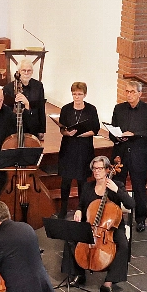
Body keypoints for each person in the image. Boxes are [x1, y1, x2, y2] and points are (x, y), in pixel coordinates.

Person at [67, 156, 132, 292]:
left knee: (123, 245)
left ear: (108, 170)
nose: (96, 171)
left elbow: (131, 204)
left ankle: (108, 284)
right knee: (71, 237)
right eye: (94, 168)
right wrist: (78, 210)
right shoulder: (88, 186)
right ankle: (79, 274)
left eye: (100, 168)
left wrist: (117, 190)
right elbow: (82, 205)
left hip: (111, 227)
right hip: (91, 224)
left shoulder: (117, 185)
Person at [111, 80, 147, 232]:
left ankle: (140, 219)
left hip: (139, 154)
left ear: (140, 94)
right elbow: (113, 131)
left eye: (132, 92)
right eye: (127, 92)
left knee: (139, 188)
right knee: (117, 186)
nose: (129, 95)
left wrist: (135, 134)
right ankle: (116, 217)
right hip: (121, 154)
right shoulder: (119, 109)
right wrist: (117, 136)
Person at [56, 82, 99, 216]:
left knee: (82, 181)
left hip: (84, 148)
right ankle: (63, 209)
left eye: (79, 94)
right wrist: (66, 132)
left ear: (85, 94)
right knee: (66, 181)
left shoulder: (91, 109)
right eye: (74, 94)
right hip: (68, 147)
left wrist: (82, 134)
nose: (77, 97)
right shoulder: (66, 109)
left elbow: (95, 129)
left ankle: (81, 209)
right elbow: (62, 128)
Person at [2, 59, 46, 140]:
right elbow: (6, 111)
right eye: (23, 70)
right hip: (15, 126)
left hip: (33, 125)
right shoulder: (8, 88)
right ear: (19, 71)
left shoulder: (38, 86)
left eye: (29, 70)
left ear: (32, 72)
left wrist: (42, 130)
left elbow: (41, 109)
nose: (26, 73)